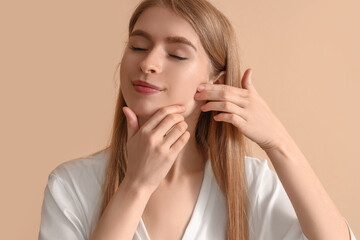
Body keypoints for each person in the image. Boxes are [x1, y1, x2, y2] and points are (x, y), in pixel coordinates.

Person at [38, 0, 357, 240]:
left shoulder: (250, 185)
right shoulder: (71, 186)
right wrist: (136, 186)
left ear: (216, 81)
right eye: (138, 46)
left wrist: (279, 143)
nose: (148, 62)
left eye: (176, 54)